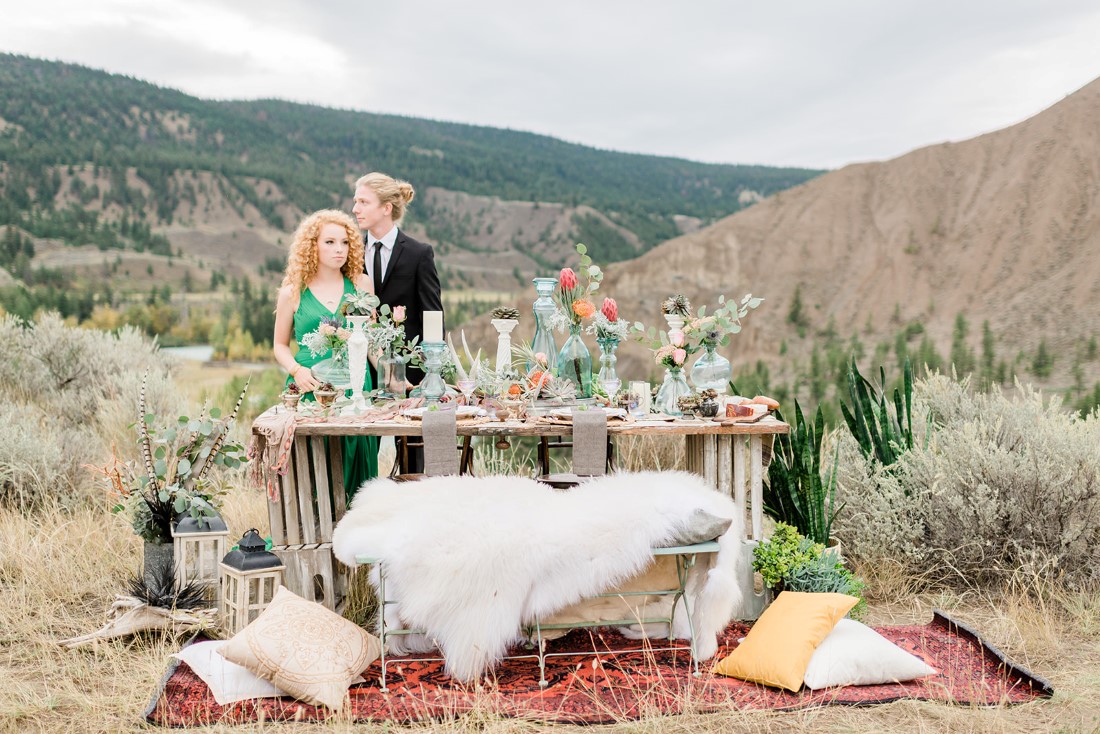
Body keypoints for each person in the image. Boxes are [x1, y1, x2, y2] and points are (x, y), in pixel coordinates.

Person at [273, 209, 378, 499]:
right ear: (312, 246)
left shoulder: (361, 284)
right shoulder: (292, 292)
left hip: (356, 383)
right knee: (313, 464)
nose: (339, 250)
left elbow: (372, 341)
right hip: (310, 385)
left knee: (356, 459)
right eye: (330, 242)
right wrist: (297, 371)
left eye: (345, 243)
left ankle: (356, 534)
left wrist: (397, 375)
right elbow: (280, 346)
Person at [352, 172, 444, 387]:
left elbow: (432, 315)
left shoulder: (419, 254)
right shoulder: (351, 254)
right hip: (361, 370)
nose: (355, 209)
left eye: (364, 202)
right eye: (356, 201)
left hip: (409, 372)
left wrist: (432, 371)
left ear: (386, 208)